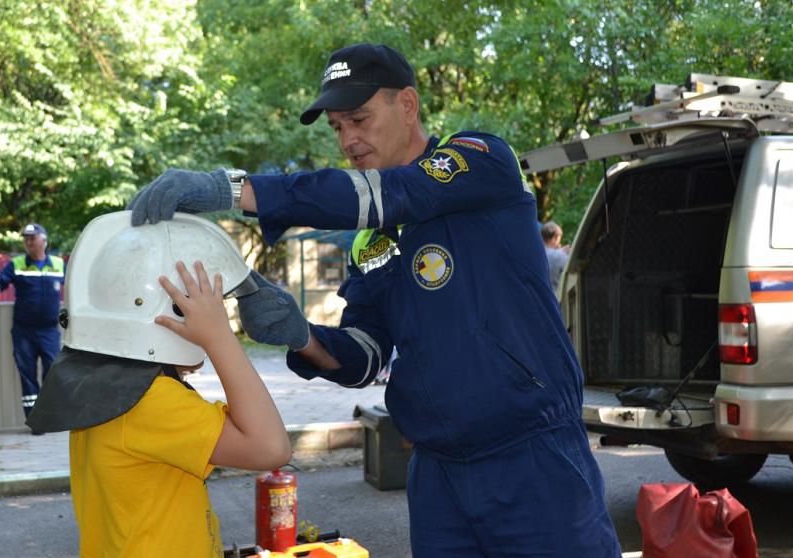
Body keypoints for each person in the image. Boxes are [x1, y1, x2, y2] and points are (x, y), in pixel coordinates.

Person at [126, 43, 620, 556]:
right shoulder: (370, 243)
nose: (348, 140)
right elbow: (365, 356)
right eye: (337, 128)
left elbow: (395, 193)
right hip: (437, 473)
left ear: (407, 104)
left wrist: (235, 190)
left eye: (359, 119)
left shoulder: (479, 158)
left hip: (532, 452)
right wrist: (301, 335)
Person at [26, 213, 290, 557]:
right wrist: (220, 338)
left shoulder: (105, 388)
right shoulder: (149, 402)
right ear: (171, 312)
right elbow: (271, 448)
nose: (216, 316)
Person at [0, 223, 65, 425]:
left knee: (52, 373)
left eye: (33, 238)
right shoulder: (17, 264)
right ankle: (35, 421)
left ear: (44, 240)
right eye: (26, 239)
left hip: (49, 331)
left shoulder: (59, 264)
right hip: (24, 332)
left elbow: (76, 286)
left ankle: (48, 417)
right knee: (27, 376)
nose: (29, 242)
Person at [541, 221, 569, 295]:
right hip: (554, 296)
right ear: (554, 238)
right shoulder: (560, 255)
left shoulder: (533, 252)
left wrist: (560, 251)